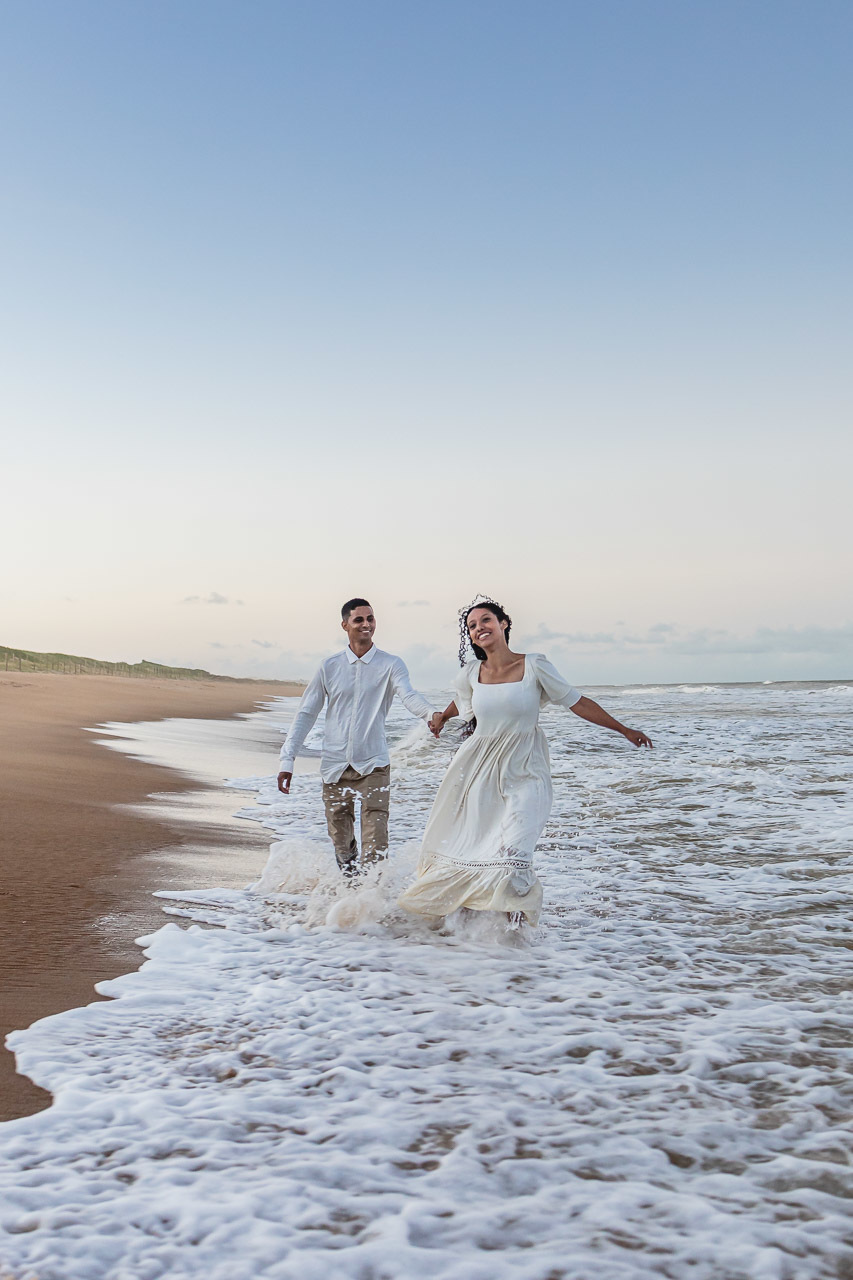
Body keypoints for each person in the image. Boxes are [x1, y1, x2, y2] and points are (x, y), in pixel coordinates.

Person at [398, 596, 652, 926]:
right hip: (480, 768)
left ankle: (515, 932)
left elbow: (576, 701)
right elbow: (461, 704)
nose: (479, 628)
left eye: (486, 620)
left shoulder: (534, 665)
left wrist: (622, 729)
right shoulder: (471, 673)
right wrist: (441, 719)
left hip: (526, 767)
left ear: (504, 624)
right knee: (474, 846)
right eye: (472, 626)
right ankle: (482, 926)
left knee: (515, 848)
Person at [277, 598, 436, 877]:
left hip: (374, 763)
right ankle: (350, 891)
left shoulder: (391, 664)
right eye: (359, 620)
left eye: (371, 619)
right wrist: (286, 759)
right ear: (345, 625)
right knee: (341, 841)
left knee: (376, 840)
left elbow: (408, 694)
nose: (367, 624)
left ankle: (371, 902)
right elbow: (306, 714)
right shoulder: (330, 666)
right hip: (334, 765)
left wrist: (430, 715)